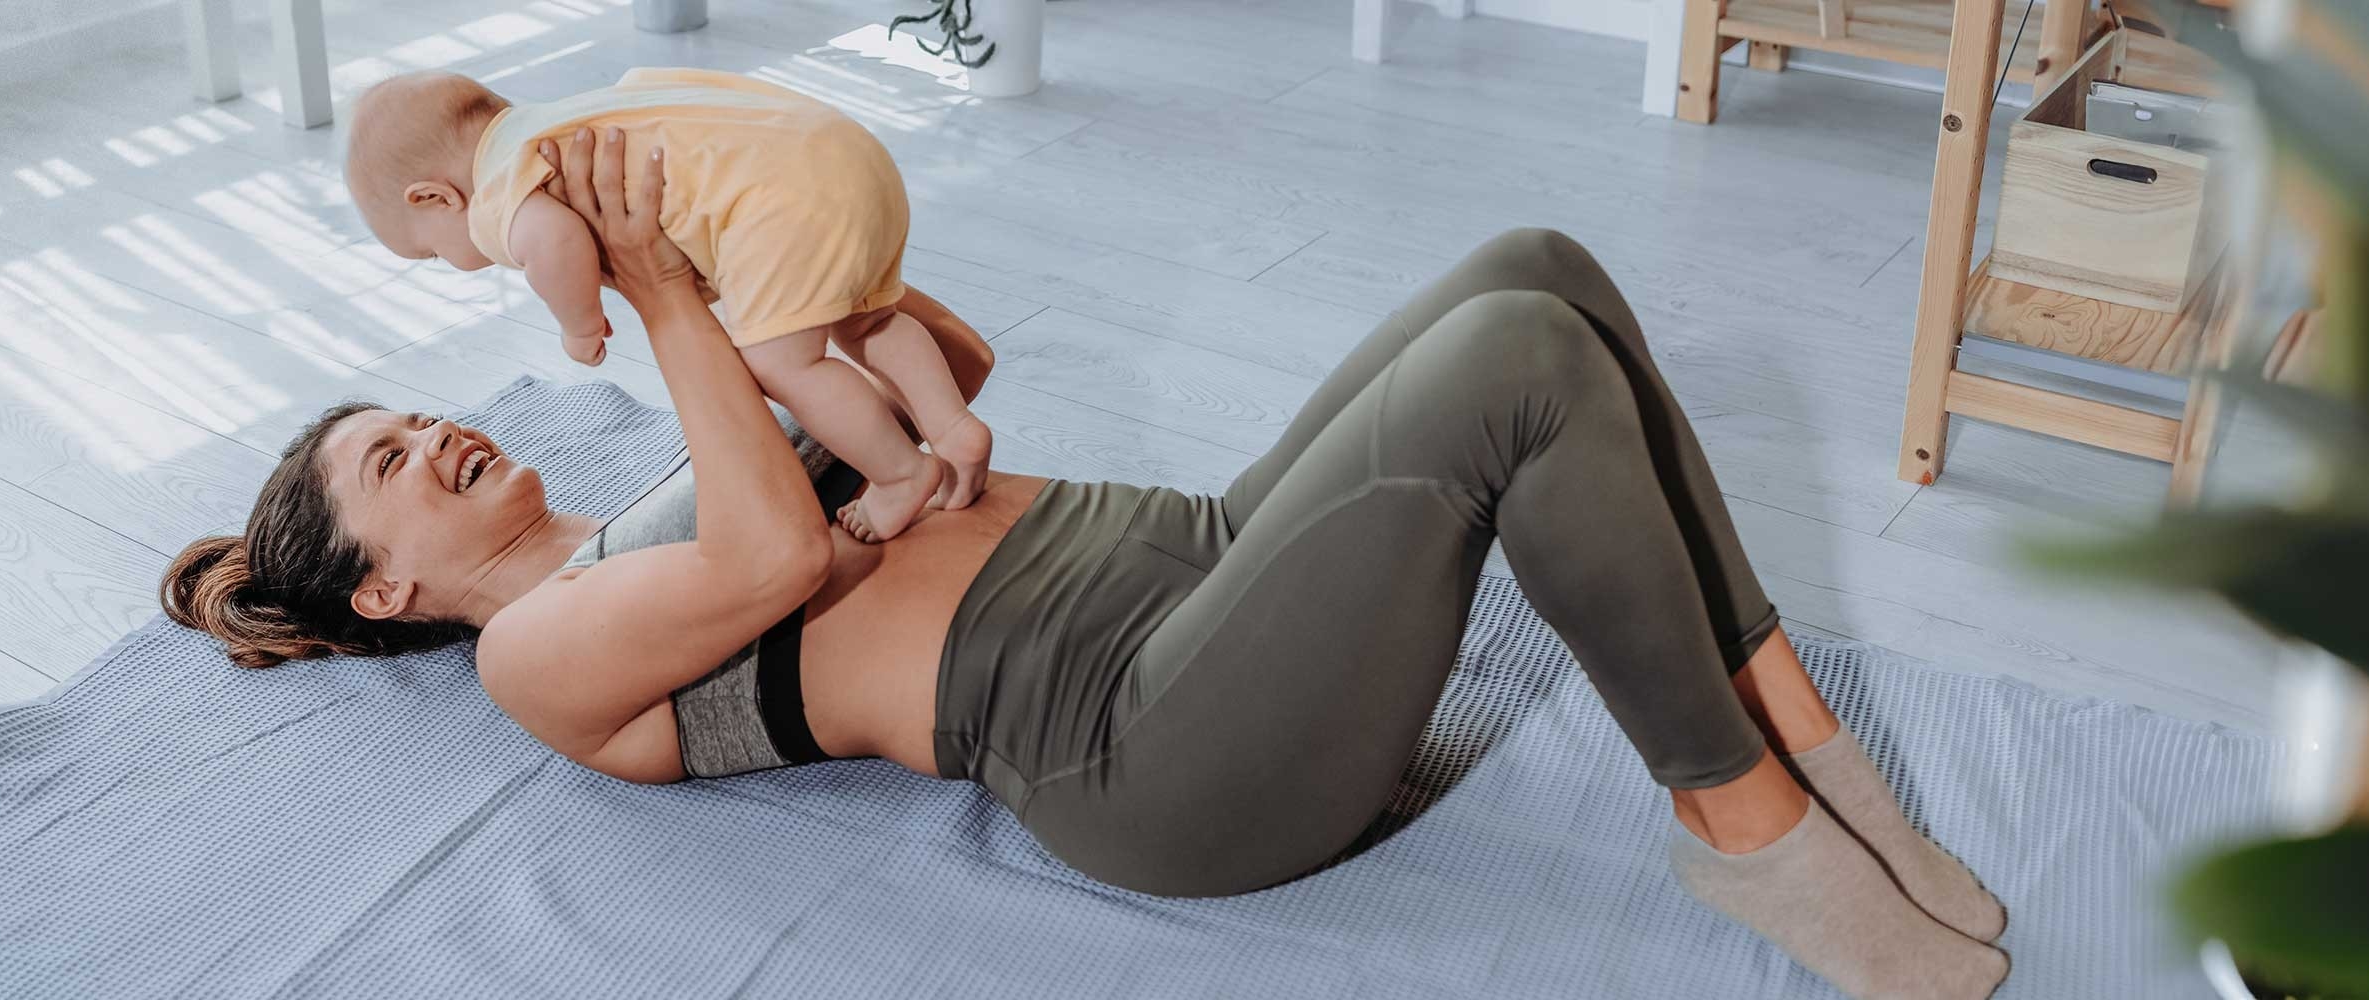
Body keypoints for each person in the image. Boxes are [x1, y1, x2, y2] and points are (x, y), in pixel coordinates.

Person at [174, 127, 2009, 999]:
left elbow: (947, 367)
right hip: (1154, 745)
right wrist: (661, 294)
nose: (434, 443)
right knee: (1515, 376)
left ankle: (1809, 753)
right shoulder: (537, 657)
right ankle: (1744, 838)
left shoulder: (676, 452)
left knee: (1534, 270)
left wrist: (763, 258)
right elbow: (768, 552)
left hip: (1208, 567)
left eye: (413, 417)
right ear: (391, 589)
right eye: (392, 473)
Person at [342, 68, 992, 543]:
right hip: (840, 149)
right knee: (868, 318)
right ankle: (954, 426)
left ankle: (902, 474)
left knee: (781, 362)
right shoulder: (565, 120)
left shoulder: (495, 193)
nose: (448, 260)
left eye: (429, 253)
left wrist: (578, 325)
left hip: (775, 207)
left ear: (433, 199)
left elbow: (554, 239)